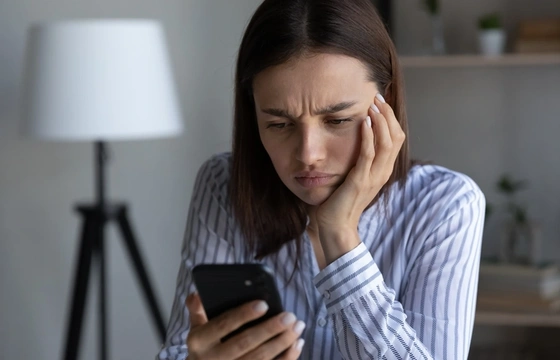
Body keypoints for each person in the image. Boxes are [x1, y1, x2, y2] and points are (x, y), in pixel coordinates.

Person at [157, 0, 485, 359]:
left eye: (337, 120)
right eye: (279, 124)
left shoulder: (446, 205)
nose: (309, 154)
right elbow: (179, 348)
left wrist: (340, 234)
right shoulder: (223, 187)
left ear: (385, 103)